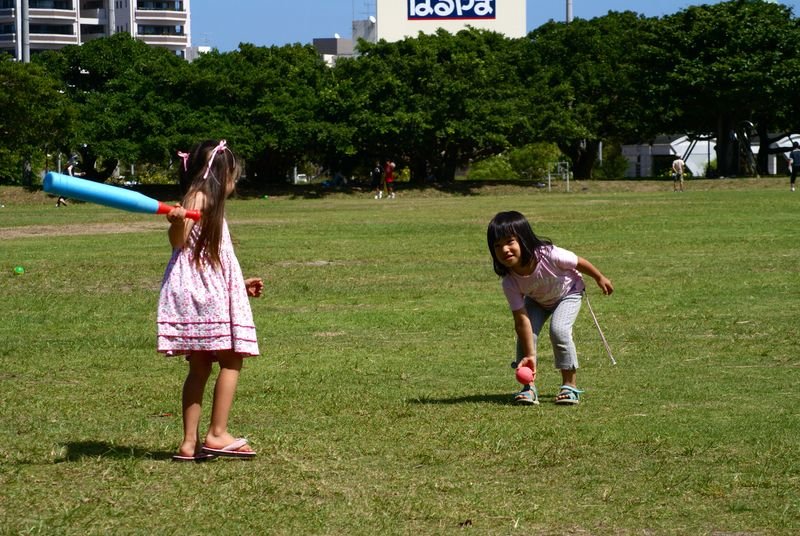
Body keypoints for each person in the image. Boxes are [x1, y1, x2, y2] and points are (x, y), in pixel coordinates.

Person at [158, 140, 260, 461]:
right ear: (219, 173)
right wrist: (177, 222)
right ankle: (217, 434)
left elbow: (207, 257)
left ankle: (189, 443)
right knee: (232, 359)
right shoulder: (199, 197)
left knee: (200, 366)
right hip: (203, 295)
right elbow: (179, 243)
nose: (234, 182)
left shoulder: (204, 200)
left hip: (204, 290)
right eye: (233, 175)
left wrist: (238, 284)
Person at [487, 211, 614, 406]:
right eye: (497, 245)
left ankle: (569, 386)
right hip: (538, 300)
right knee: (526, 336)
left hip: (568, 293)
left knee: (559, 330)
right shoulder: (510, 281)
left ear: (524, 239)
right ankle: (528, 388)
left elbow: (579, 262)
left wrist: (599, 277)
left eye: (510, 241)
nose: (504, 249)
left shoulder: (550, 254)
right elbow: (521, 320)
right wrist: (530, 355)